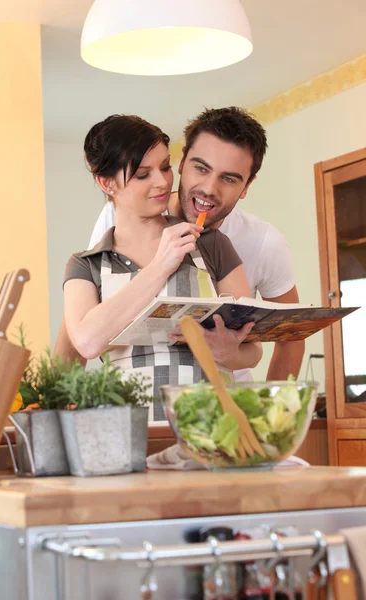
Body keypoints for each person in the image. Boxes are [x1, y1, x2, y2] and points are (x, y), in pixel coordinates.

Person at [82, 107, 305, 381]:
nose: (210, 189)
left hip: (222, 397)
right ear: (182, 162)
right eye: (201, 168)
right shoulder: (119, 217)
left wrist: (273, 416)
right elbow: (86, 322)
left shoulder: (263, 242)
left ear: (247, 186)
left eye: (229, 178)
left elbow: (290, 336)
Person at [62, 115, 262, 419]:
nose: (162, 182)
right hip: (129, 429)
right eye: (143, 174)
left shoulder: (211, 244)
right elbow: (88, 342)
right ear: (106, 183)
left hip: (211, 426)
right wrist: (160, 267)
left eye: (165, 167)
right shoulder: (86, 264)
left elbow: (253, 349)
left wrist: (227, 352)